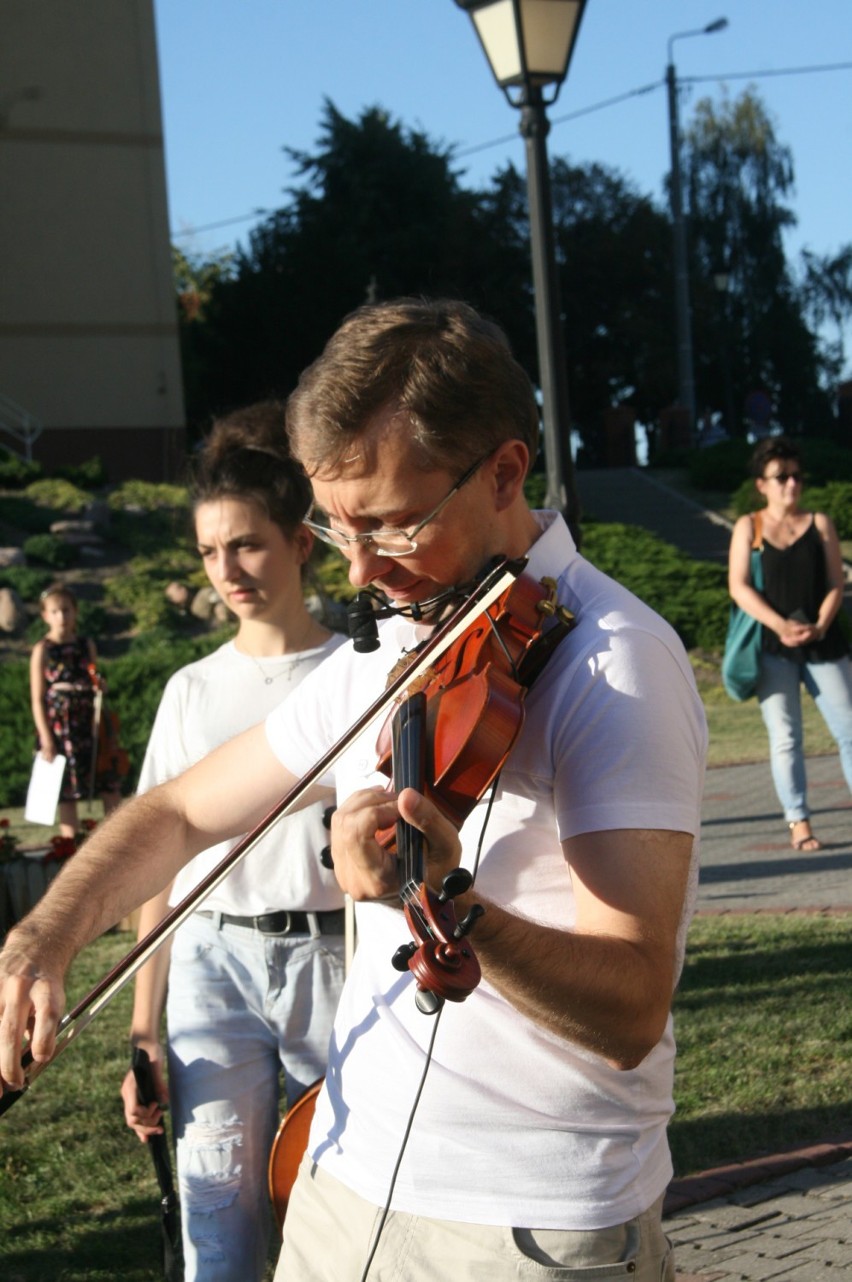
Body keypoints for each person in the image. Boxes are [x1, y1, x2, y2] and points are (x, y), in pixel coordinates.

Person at [0, 298, 707, 1282]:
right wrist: (51, 931)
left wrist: (448, 900)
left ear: (505, 473)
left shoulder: (616, 664)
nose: (366, 571)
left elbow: (632, 1007)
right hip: (347, 1178)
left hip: (531, 1224)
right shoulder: (400, 650)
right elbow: (178, 812)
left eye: (394, 525)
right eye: (338, 533)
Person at [118, 402, 347, 1282]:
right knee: (217, 1218)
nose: (229, 570)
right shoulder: (191, 690)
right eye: (212, 552)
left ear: (300, 543)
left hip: (335, 960)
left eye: (247, 544)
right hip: (214, 967)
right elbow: (160, 867)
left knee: (343, 1203)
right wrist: (144, 1028)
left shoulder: (354, 672)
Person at [728, 435, 852, 851]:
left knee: (849, 728)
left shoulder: (819, 524)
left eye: (797, 476)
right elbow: (739, 587)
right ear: (762, 484)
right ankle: (798, 822)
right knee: (785, 736)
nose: (791, 484)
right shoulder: (750, 526)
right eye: (781, 477)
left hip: (823, 642)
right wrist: (780, 625)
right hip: (772, 645)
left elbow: (837, 581)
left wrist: (819, 623)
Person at [29, 583, 122, 838]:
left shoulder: (85, 644)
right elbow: (37, 699)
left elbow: (94, 678)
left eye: (66, 610)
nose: (62, 616)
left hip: (88, 720)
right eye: (55, 611)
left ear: (75, 612)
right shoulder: (43, 650)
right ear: (45, 616)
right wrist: (46, 737)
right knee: (65, 789)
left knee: (106, 780)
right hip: (61, 724)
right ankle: (68, 847)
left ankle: (114, 839)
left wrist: (100, 686)